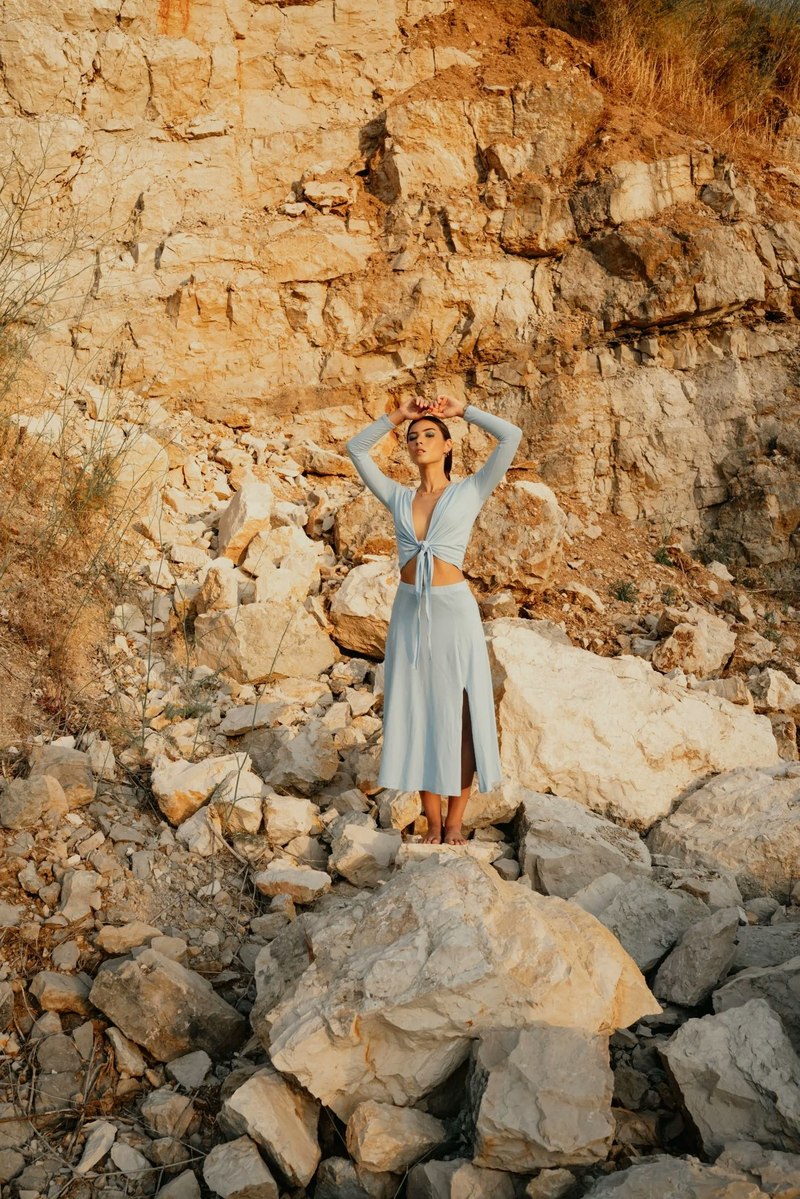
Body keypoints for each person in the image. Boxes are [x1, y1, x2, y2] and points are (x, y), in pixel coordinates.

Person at [346, 393, 522, 845]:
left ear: (447, 445)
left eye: (428, 434)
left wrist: (463, 411)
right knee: (420, 709)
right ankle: (433, 821)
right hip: (409, 612)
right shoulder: (398, 496)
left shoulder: (470, 490)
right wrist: (398, 415)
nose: (418, 441)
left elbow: (511, 436)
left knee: (459, 712)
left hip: (454, 612)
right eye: (412, 437)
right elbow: (355, 449)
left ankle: (456, 822)